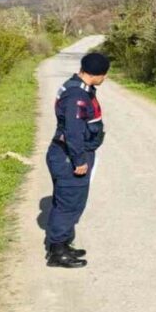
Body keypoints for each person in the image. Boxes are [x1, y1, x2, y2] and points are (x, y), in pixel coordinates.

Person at [45, 52, 109, 268]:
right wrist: (79, 160)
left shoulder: (78, 87)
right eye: (104, 74)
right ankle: (57, 253)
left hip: (65, 154)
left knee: (67, 201)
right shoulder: (77, 96)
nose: (105, 79)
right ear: (98, 74)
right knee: (69, 205)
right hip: (68, 157)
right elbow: (73, 132)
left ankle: (62, 244)